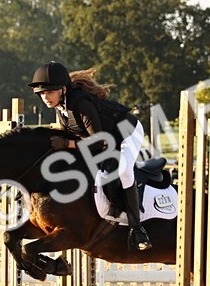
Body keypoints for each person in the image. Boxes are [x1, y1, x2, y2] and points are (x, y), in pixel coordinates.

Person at [28, 60, 151, 251]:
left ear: (63, 89)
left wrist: (68, 144)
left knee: (124, 170)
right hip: (106, 138)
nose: (45, 97)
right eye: (42, 93)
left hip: (127, 132)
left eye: (49, 91)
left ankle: (137, 228)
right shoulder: (61, 109)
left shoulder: (81, 104)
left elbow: (99, 142)